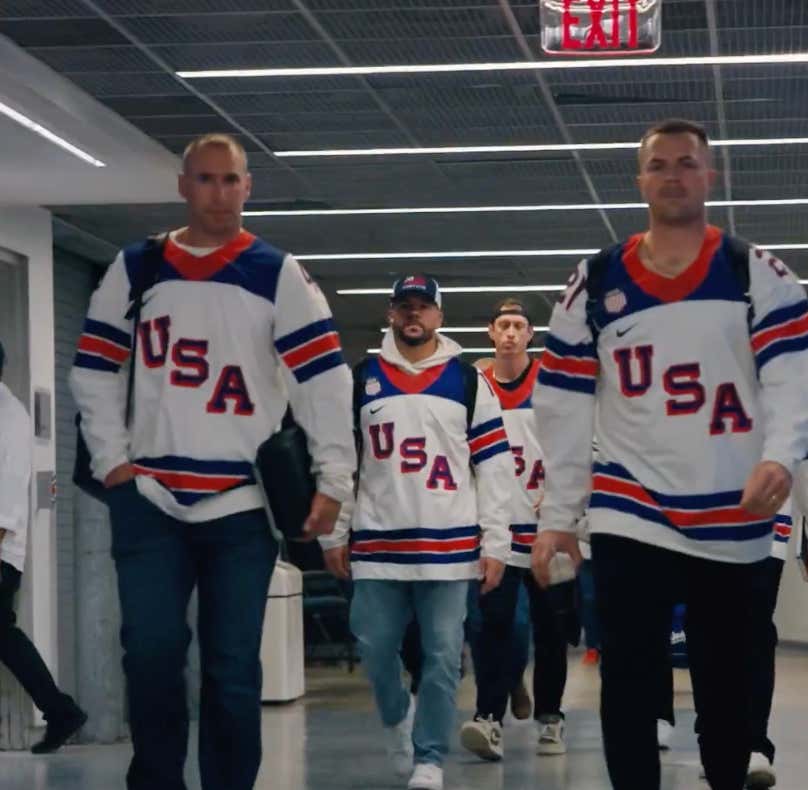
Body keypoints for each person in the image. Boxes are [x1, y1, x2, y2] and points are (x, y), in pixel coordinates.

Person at [69, 133, 355, 790]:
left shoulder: (278, 273)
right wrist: (114, 462)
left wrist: (335, 480)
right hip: (151, 498)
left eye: (230, 180)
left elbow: (325, 381)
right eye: (204, 180)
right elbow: (94, 369)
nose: (218, 194)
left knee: (231, 670)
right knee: (150, 656)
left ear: (248, 187)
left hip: (241, 501)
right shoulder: (137, 267)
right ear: (182, 186)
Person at [531, 118, 808, 790]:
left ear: (709, 176)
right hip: (633, 506)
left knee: (725, 689)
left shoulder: (755, 273)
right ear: (641, 179)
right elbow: (561, 403)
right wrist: (559, 514)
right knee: (627, 677)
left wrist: (781, 454)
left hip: (732, 509)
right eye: (660, 164)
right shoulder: (594, 282)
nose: (674, 175)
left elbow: (791, 372)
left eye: (687, 163)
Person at [320, 275, 511, 790]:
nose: (414, 315)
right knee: (375, 647)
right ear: (390, 314)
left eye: (424, 307)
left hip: (449, 547)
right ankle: (395, 715)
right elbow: (340, 462)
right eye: (405, 306)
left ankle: (430, 757)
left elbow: (494, 468)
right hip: (378, 544)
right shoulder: (360, 379)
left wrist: (497, 543)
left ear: (439, 318)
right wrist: (334, 534)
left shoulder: (470, 383)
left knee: (445, 656)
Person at [460, 299, 571, 760]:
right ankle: (489, 716)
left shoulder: (549, 384)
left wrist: (565, 500)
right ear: (490, 332)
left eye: (519, 326)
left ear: (530, 335)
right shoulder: (473, 387)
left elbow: (577, 442)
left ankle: (551, 717)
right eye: (502, 325)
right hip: (498, 529)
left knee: (552, 629)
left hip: (546, 526)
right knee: (494, 627)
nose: (510, 332)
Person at [0, 340, 87, 753]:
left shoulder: (10, 416)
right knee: (2, 634)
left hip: (0, 550)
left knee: (3, 633)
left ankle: (61, 710)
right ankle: (60, 710)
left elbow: (8, 487)